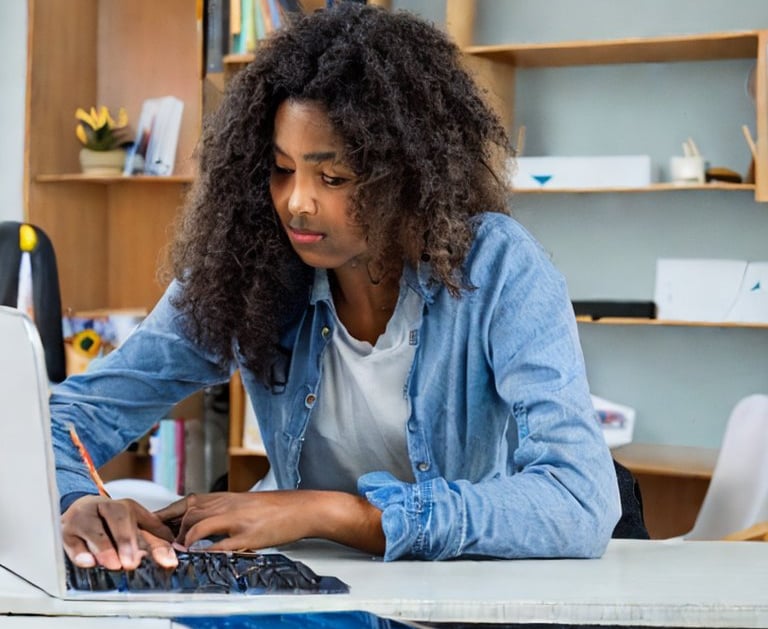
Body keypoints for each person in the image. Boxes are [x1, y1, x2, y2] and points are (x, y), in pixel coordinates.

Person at [51, 2, 621, 571]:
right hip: (303, 584)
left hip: (455, 594)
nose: (296, 202)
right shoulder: (246, 265)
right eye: (280, 168)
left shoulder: (497, 267)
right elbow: (59, 424)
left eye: (333, 177)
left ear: (407, 175)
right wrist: (77, 501)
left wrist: (337, 514)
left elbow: (579, 500)